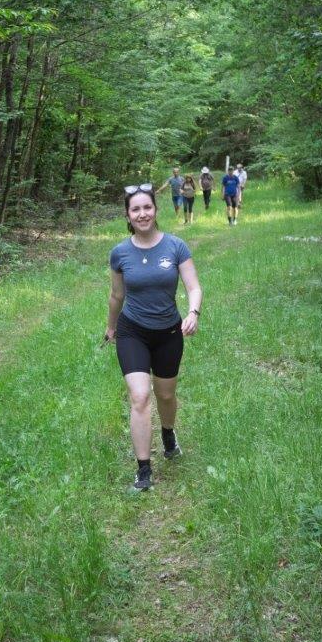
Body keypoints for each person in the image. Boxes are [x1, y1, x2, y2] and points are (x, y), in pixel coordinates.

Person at [105, 182, 202, 491]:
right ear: (128, 215)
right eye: (135, 209)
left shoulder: (176, 246)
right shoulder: (120, 253)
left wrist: (193, 313)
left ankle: (168, 432)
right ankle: (144, 469)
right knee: (140, 396)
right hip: (132, 331)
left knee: (165, 395)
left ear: (156, 210)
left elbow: (193, 286)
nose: (142, 214)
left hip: (169, 333)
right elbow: (117, 295)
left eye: (147, 207)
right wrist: (111, 327)